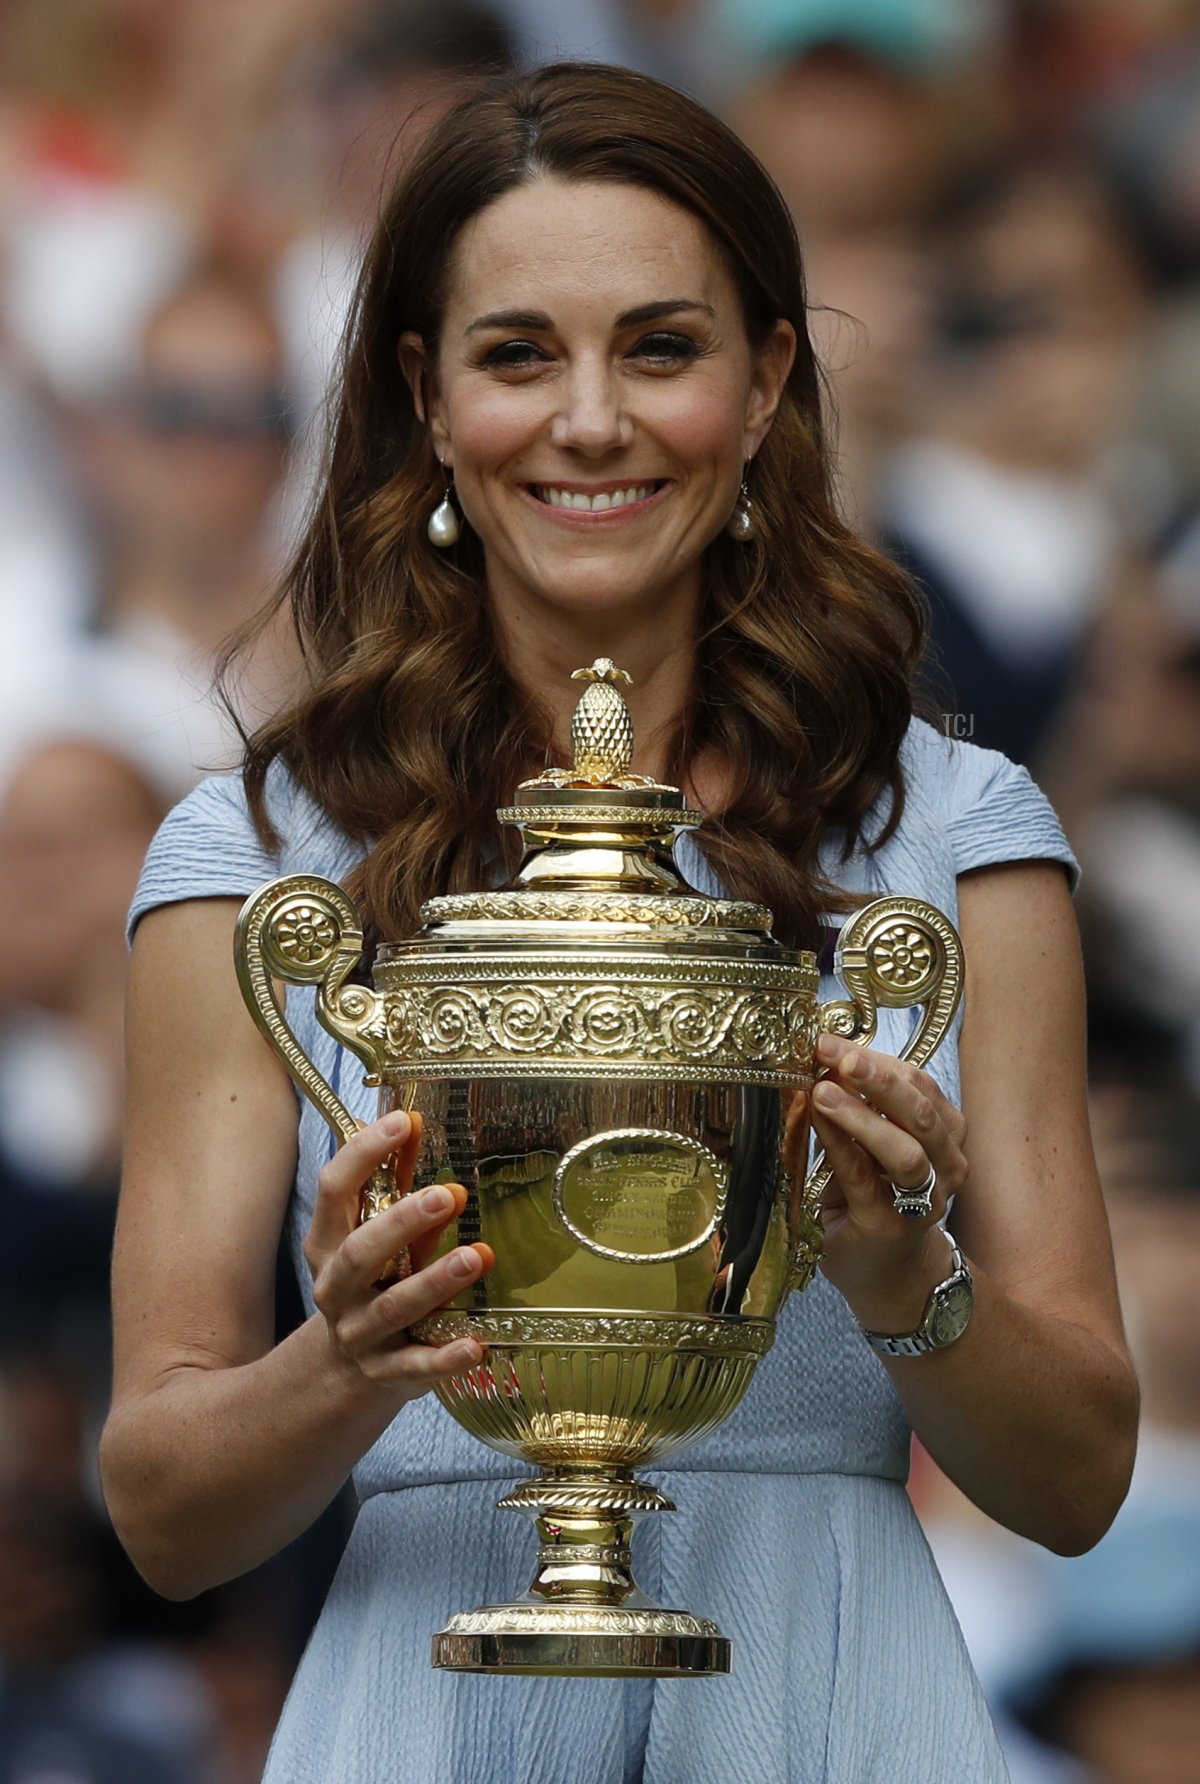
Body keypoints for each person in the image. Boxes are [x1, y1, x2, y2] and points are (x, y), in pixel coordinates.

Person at [99, 62, 1138, 1783]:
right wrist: (354, 1360)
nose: (592, 422)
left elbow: (1080, 1478)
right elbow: (163, 1511)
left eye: (660, 348)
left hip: (835, 1698)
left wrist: (901, 1272)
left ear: (766, 382)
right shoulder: (252, 856)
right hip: (422, 1702)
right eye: (520, 356)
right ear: (428, 398)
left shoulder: (959, 835)